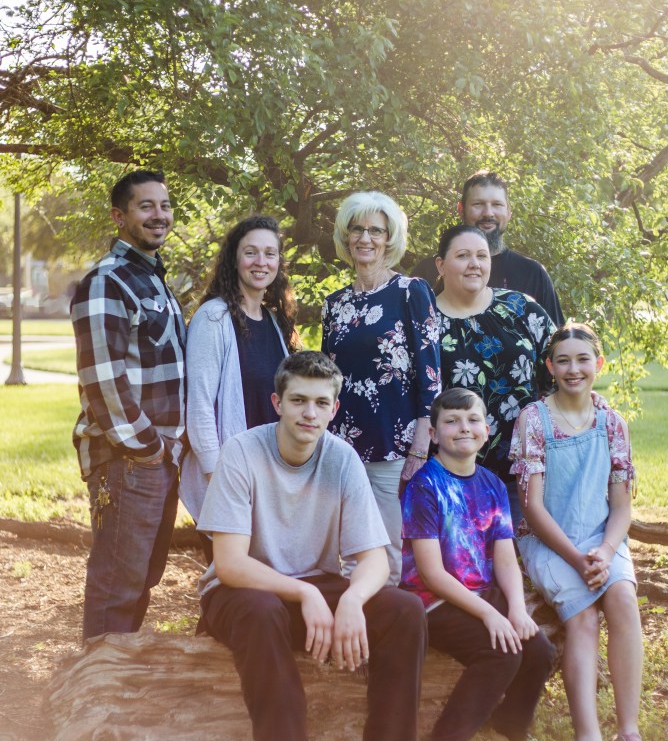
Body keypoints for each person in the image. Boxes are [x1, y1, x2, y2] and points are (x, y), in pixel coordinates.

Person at [196, 351, 452, 741]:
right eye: (298, 401)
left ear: (334, 409)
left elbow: (375, 559)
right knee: (260, 612)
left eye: (320, 403)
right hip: (243, 592)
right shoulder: (242, 452)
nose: (308, 413)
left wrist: (351, 599)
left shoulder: (341, 458)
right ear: (277, 403)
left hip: (312, 587)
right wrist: (307, 595)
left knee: (402, 610)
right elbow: (229, 564)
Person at [511, 323, 654, 741]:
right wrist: (577, 559)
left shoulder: (613, 423)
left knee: (623, 600)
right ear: (550, 367)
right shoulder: (534, 421)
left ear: (599, 364)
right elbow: (532, 507)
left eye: (583, 359)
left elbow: (622, 507)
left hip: (601, 538)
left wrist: (606, 551)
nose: (574, 369)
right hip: (550, 541)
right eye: (563, 361)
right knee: (584, 617)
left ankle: (629, 733)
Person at [400, 388, 555, 741]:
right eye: (451, 421)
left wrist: (516, 609)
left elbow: (505, 558)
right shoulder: (424, 486)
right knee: (500, 653)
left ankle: (511, 724)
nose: (463, 428)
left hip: (482, 593)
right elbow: (431, 573)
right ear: (433, 434)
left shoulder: (492, 484)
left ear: (486, 430)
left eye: (472, 420)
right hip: (432, 601)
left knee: (538, 649)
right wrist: (489, 615)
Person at [71, 169, 186, 640]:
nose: (159, 215)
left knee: (140, 581)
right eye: (146, 206)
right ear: (120, 217)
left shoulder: (153, 280)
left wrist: (165, 452)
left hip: (158, 458)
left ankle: (118, 678)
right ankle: (98, 682)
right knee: (117, 585)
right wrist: (148, 449)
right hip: (129, 458)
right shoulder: (108, 281)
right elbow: (103, 381)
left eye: (165, 205)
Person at [321, 191, 440, 583]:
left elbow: (430, 374)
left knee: (388, 549)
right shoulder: (334, 304)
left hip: (394, 442)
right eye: (357, 229)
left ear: (390, 238)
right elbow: (327, 378)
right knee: (347, 546)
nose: (365, 238)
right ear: (346, 235)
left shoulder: (411, 292)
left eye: (376, 230)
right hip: (342, 442)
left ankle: (386, 616)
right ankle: (350, 615)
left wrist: (420, 444)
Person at [179, 215, 297, 559]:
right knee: (231, 578)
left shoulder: (273, 320)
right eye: (250, 252)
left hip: (269, 478)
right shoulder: (213, 318)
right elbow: (199, 404)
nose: (261, 262)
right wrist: (217, 477)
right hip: (227, 478)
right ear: (234, 259)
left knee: (263, 578)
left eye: (270, 253)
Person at [435, 223, 555, 530]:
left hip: (523, 471)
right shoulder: (425, 323)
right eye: (463, 255)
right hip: (452, 474)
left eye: (482, 256)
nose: (474, 264)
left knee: (517, 554)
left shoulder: (521, 308)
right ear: (441, 265)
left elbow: (561, 368)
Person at [413, 170, 564, 325]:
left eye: (497, 204)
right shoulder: (427, 272)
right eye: (478, 204)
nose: (488, 213)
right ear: (461, 210)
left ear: (509, 212)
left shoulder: (533, 274)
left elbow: (559, 338)